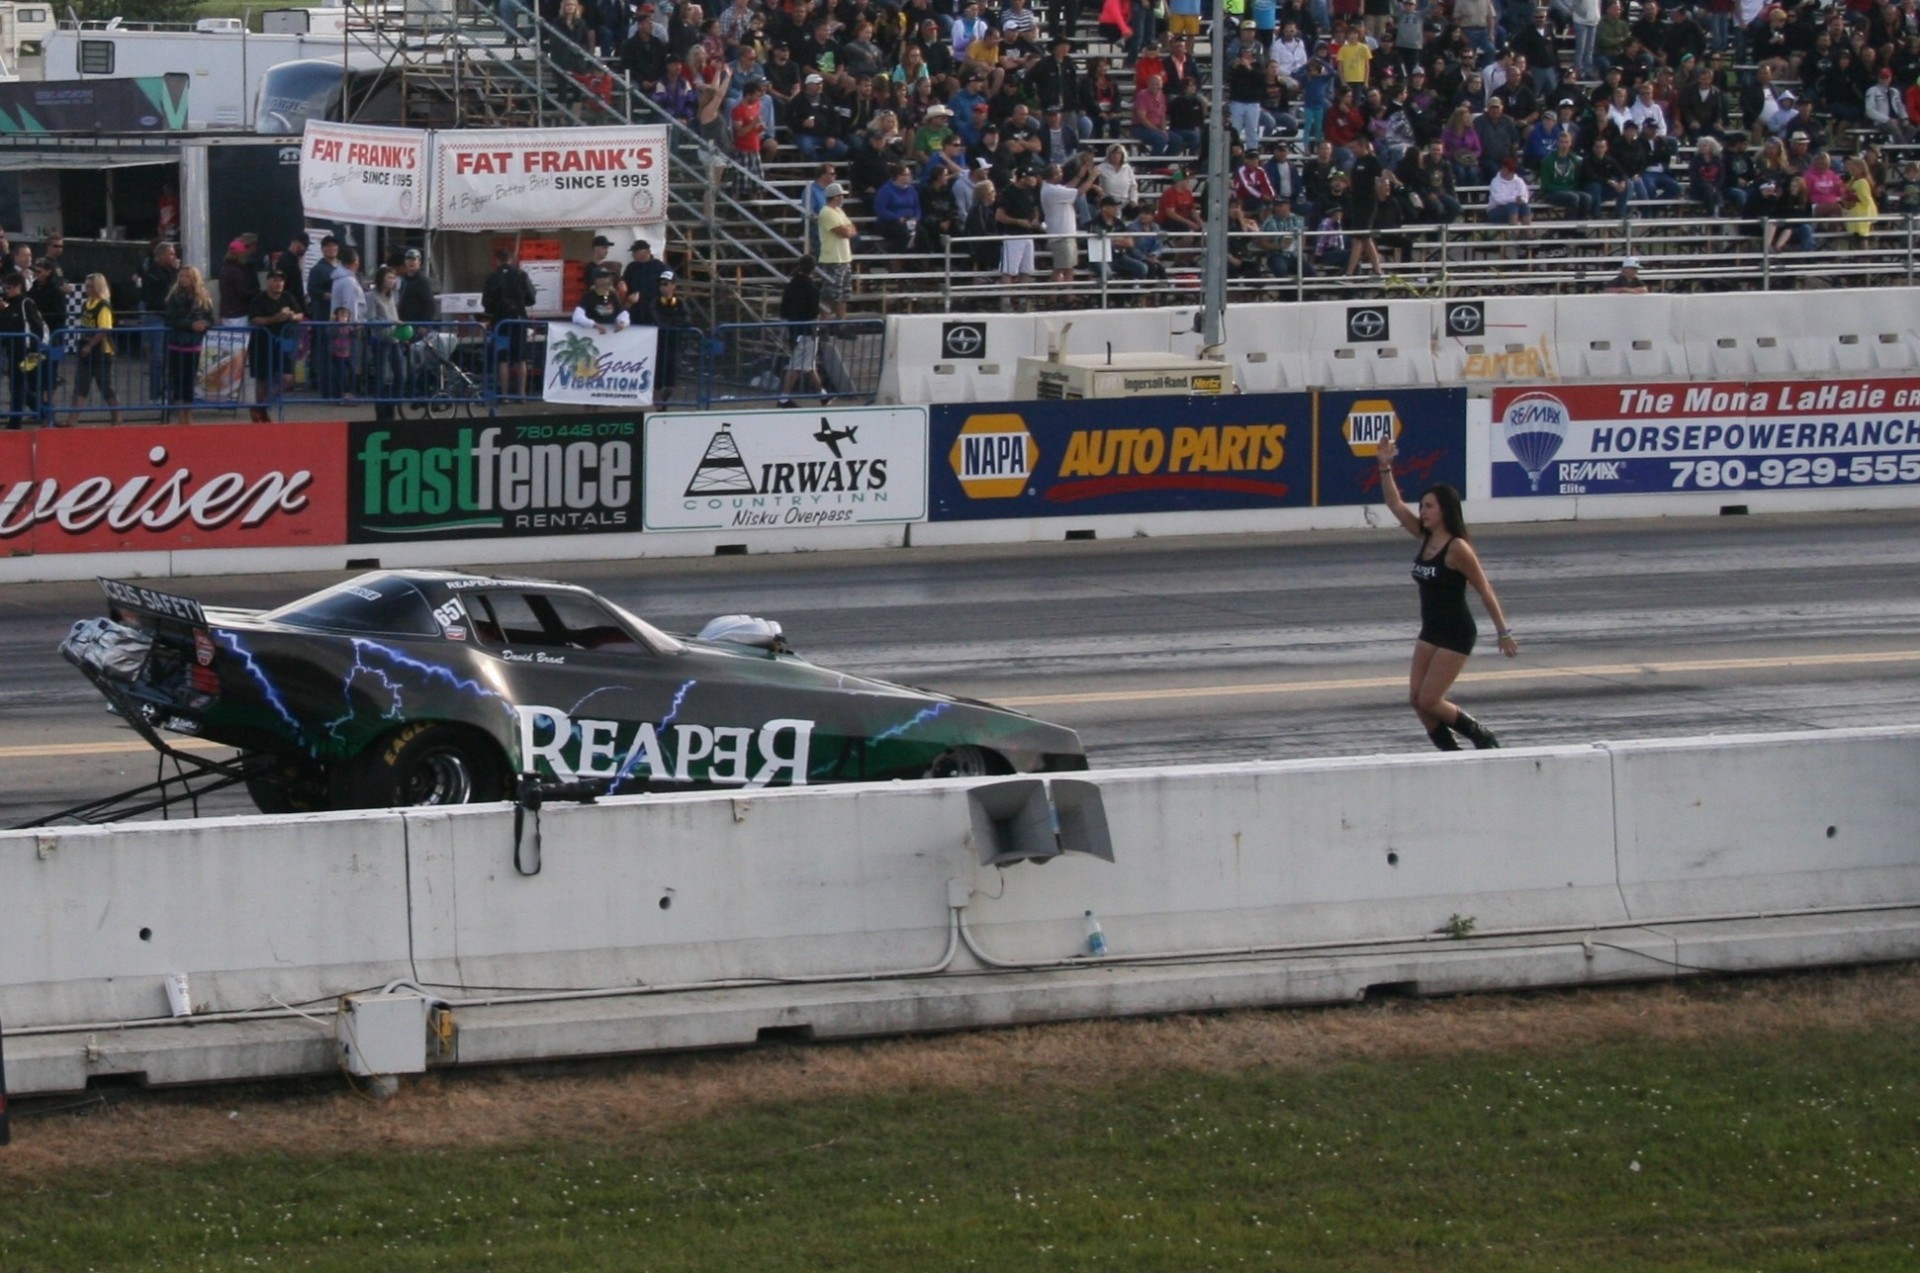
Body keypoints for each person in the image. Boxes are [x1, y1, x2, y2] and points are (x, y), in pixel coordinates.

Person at [1375, 434, 1517, 751]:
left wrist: (1503, 632)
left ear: (1444, 510)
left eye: (1428, 506)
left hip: (1456, 633)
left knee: (1430, 698)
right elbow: (1394, 504)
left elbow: (1484, 589)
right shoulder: (1425, 538)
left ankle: (1481, 735)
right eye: (1422, 506)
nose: (1422, 511)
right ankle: (1450, 754)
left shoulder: (1457, 548)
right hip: (1430, 631)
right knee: (1416, 699)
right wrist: (1385, 468)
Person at [481, 247, 537, 398]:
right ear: (511, 259)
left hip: (500, 323)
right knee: (520, 359)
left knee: (503, 359)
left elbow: (486, 304)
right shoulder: (521, 275)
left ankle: (504, 395)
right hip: (519, 321)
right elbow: (532, 298)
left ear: (496, 260)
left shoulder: (492, 278)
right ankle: (521, 394)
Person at [163, 265, 214, 425]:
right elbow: (171, 320)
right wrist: (191, 325)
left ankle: (189, 413)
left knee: (190, 380)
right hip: (177, 343)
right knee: (178, 379)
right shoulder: (174, 296)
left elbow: (210, 318)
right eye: (182, 276)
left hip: (194, 344)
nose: (184, 279)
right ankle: (181, 414)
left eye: (187, 276)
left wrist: (205, 324)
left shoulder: (203, 297)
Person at [246, 270, 299, 422]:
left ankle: (260, 406)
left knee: (287, 378)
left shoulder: (288, 297)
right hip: (261, 342)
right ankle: (261, 414)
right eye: (275, 280)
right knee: (262, 378)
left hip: (282, 343)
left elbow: (301, 313)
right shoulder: (259, 299)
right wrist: (276, 318)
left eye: (281, 281)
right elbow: (255, 320)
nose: (278, 284)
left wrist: (293, 316)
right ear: (268, 282)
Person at [71, 272, 120, 425]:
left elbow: (104, 329)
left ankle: (117, 417)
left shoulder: (103, 305)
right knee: (80, 385)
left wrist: (90, 345)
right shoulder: (87, 303)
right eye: (86, 286)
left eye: (91, 286)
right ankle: (72, 420)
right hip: (86, 347)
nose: (88, 289)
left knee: (105, 387)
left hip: (102, 351)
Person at [778, 254, 824, 407]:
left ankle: (823, 395)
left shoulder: (790, 285)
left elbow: (783, 309)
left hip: (793, 328)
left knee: (808, 365)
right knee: (797, 366)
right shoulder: (813, 289)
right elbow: (813, 313)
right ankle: (783, 398)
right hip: (806, 331)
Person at [815, 181, 856, 320]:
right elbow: (845, 232)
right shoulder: (826, 212)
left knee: (843, 294)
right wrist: (848, 230)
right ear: (835, 197)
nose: (842, 198)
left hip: (844, 258)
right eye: (841, 196)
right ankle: (824, 325)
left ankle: (841, 324)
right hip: (832, 259)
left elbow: (852, 229)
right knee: (829, 295)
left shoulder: (838, 211)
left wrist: (848, 230)